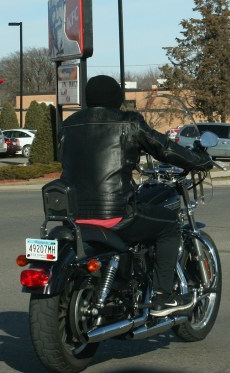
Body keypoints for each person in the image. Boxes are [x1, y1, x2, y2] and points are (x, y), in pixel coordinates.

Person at [58, 75, 213, 317]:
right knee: (170, 225)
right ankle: (163, 296)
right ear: (117, 98)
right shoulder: (128, 122)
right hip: (115, 214)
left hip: (73, 215)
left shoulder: (68, 125)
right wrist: (198, 161)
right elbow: (163, 147)